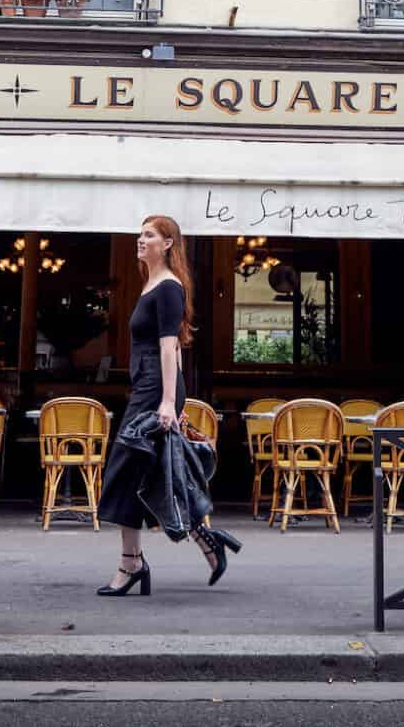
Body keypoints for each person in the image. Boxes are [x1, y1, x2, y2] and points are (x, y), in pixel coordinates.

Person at [95, 214, 241, 596]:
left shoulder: (169, 288)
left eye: (148, 235)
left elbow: (169, 347)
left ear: (168, 243)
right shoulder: (152, 285)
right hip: (148, 385)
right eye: (139, 234)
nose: (139, 240)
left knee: (126, 470)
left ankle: (132, 564)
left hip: (154, 389)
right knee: (160, 473)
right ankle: (204, 542)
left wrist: (168, 401)